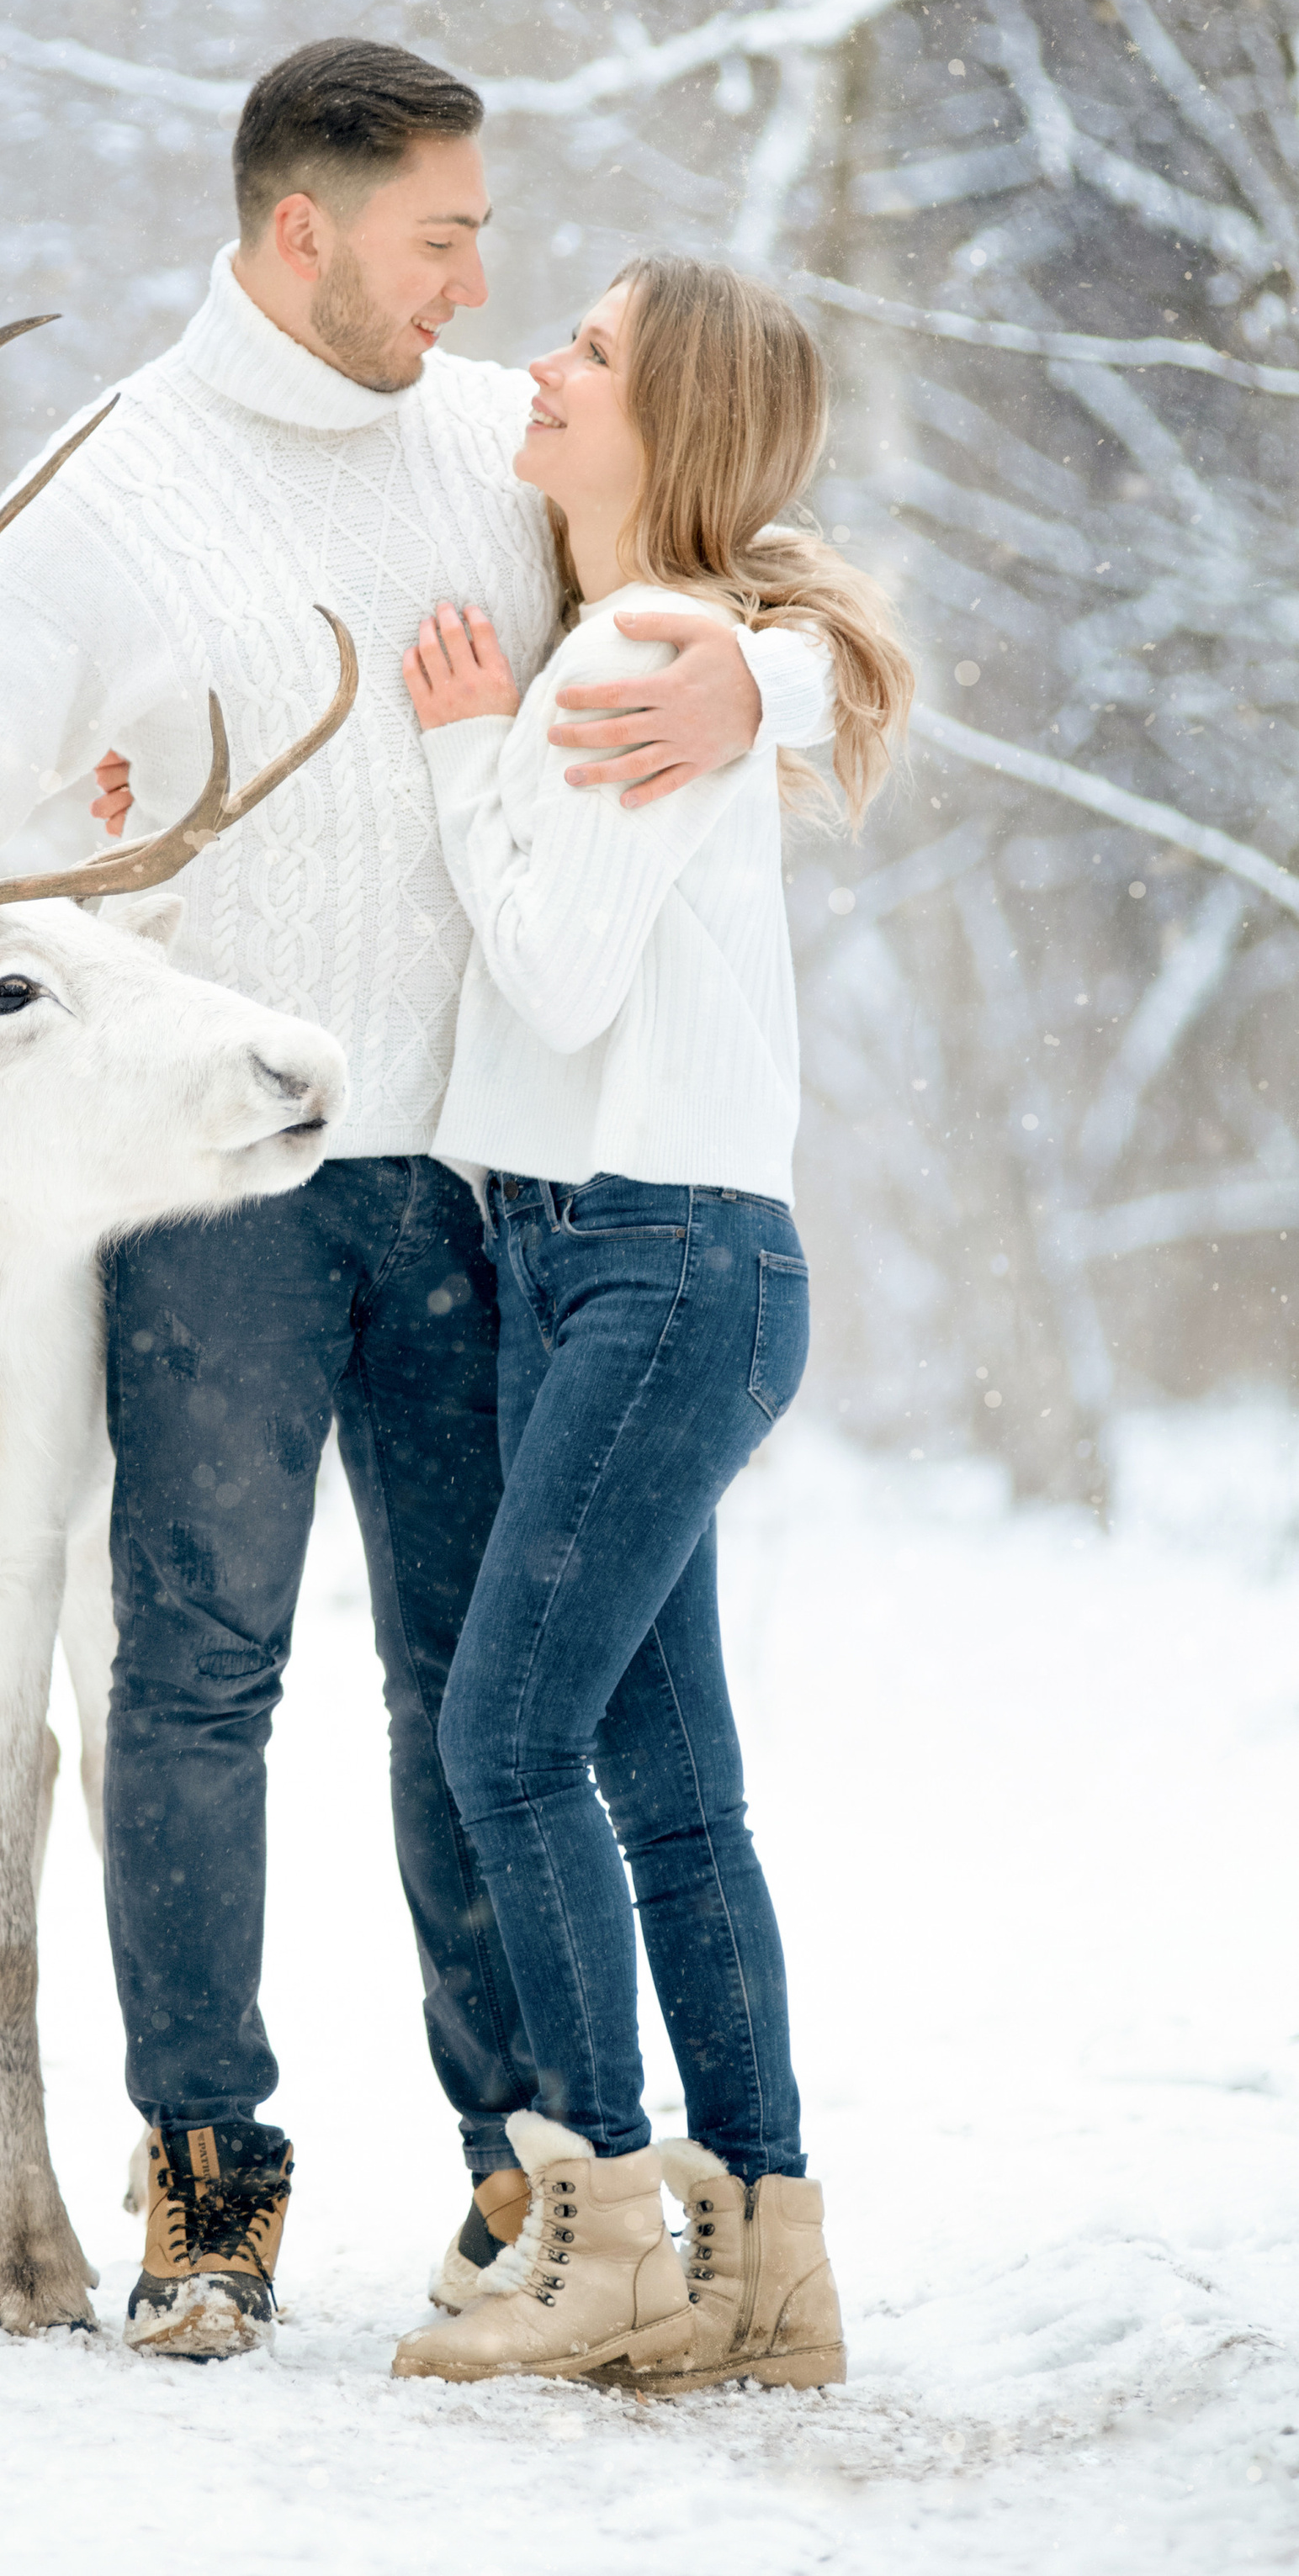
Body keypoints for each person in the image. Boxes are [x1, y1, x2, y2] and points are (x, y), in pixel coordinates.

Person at [0, 41, 836, 2359]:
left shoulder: (495, 430)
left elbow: (744, 565)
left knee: (468, 1696)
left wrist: (757, 698)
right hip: (218, 1198)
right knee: (194, 1677)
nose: (478, 284)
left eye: (486, 248)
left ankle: (533, 2179)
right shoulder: (92, 503)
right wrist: (80, 896)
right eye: (441, 242)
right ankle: (209, 2176)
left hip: (488, 1184)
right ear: (307, 233)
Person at [383, 256, 912, 2393]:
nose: (541, 363)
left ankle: (601, 2232)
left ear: (663, 420)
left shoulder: (641, 644)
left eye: (584, 351)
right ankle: (763, 2267)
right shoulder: (674, 640)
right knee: (667, 1790)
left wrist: (447, 757)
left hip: (645, 1252)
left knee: (503, 1739)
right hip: (634, 1255)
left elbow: (560, 979)